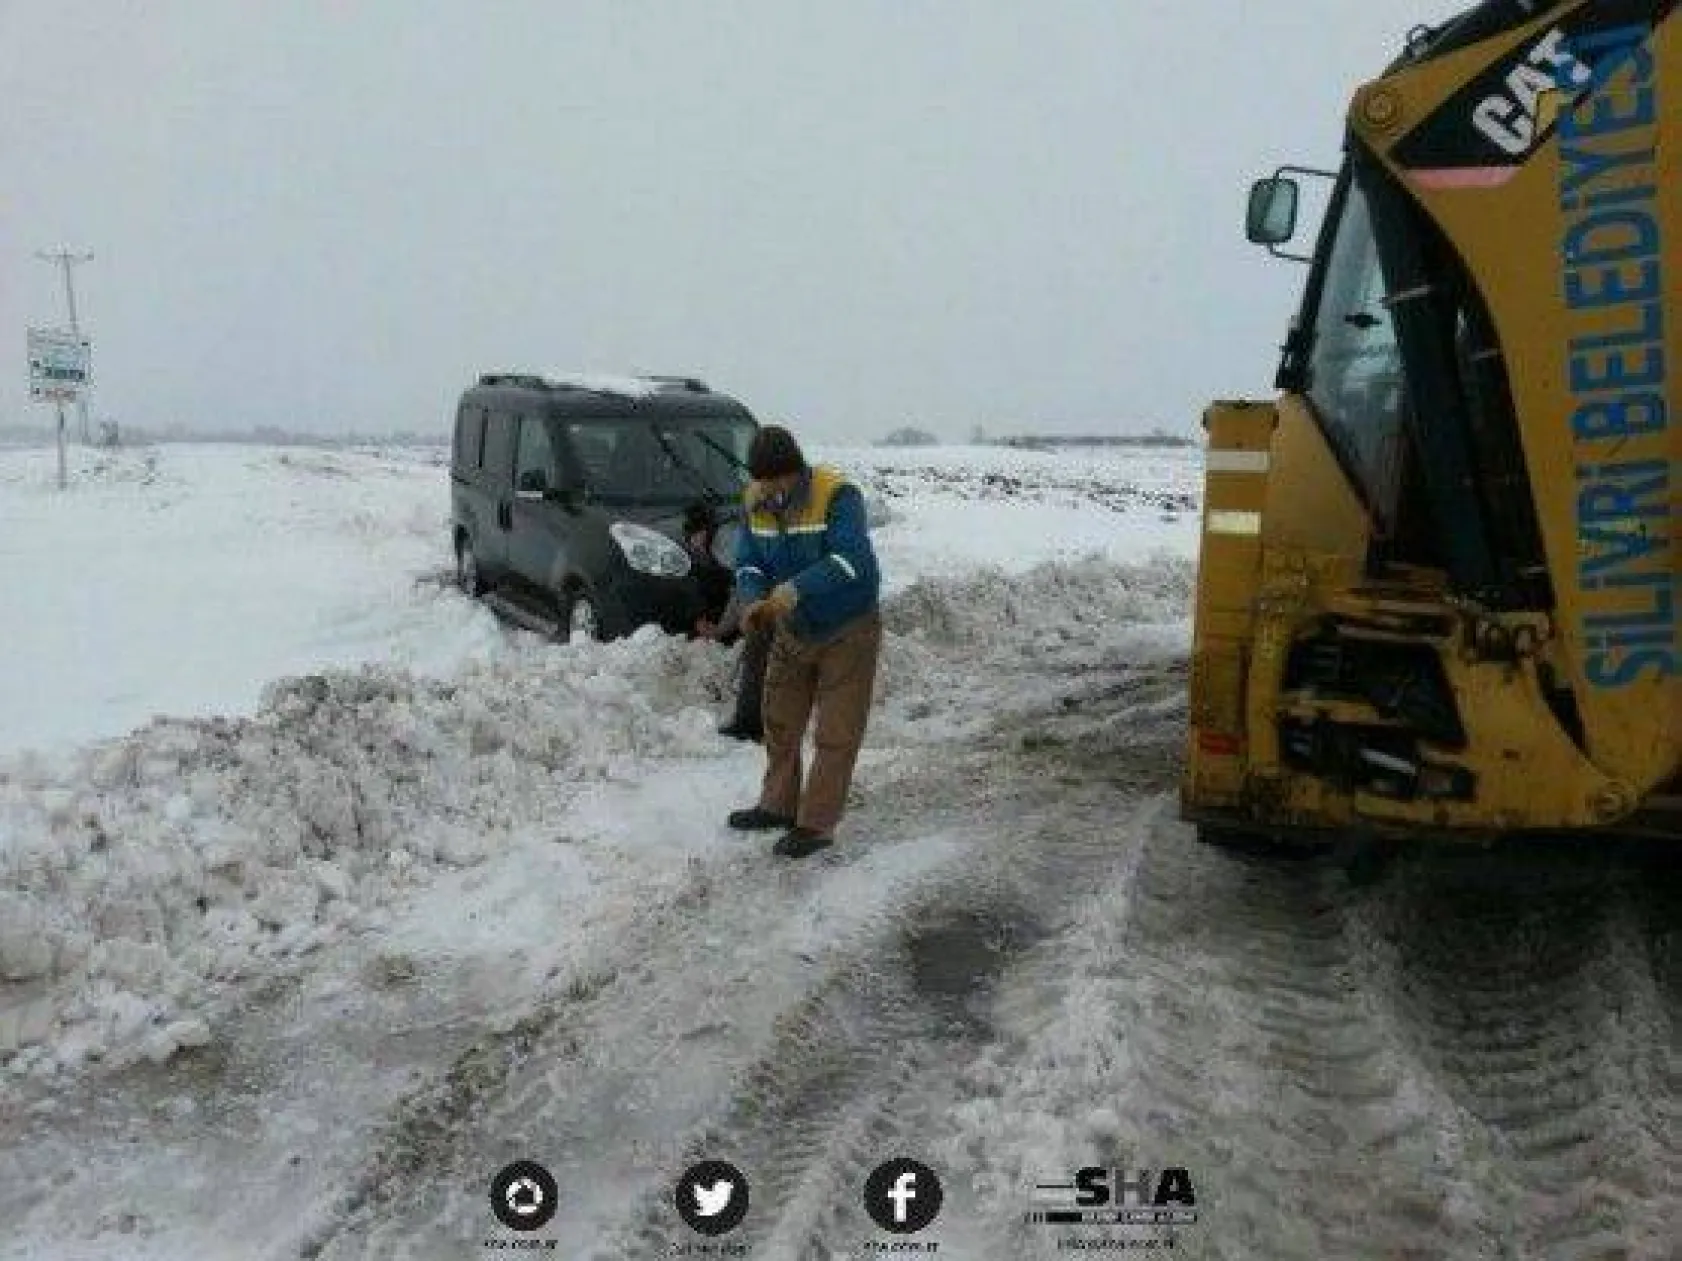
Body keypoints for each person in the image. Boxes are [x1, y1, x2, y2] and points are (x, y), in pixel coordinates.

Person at [725, 425, 882, 858]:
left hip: (848, 626)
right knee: (780, 719)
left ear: (795, 471)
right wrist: (754, 600)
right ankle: (776, 805)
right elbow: (748, 562)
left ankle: (816, 824)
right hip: (793, 627)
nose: (770, 489)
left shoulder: (837, 495)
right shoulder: (754, 501)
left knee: (837, 730)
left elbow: (852, 561)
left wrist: (795, 590)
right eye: (763, 480)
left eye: (777, 479)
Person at [683, 503, 769, 741]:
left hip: (774, 600)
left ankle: (751, 723)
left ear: (701, 533)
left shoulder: (724, 542)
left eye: (692, 539)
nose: (693, 547)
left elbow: (747, 584)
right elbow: (737, 589)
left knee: (757, 658)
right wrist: (720, 630)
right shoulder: (729, 532)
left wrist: (748, 614)